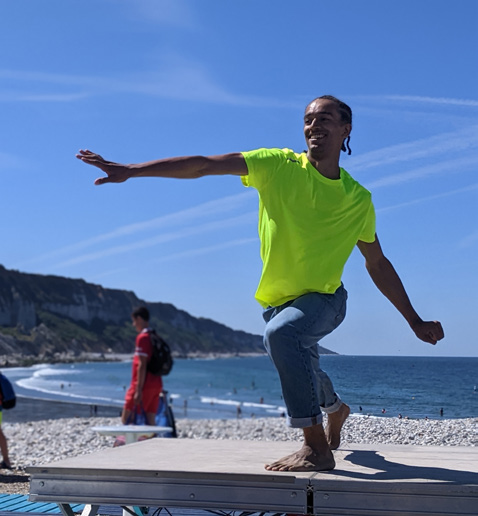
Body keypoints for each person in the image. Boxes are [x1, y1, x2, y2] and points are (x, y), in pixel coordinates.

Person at [77, 95, 444, 472]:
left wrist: (413, 321)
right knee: (304, 366)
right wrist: (131, 170)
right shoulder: (278, 165)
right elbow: (204, 165)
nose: (314, 125)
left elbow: (377, 262)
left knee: (282, 337)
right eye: (308, 119)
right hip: (278, 303)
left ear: (346, 129)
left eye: (325, 119)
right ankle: (336, 409)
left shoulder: (357, 199)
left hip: (326, 301)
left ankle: (315, 448)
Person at [122, 306, 163, 426]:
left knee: (127, 419)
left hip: (142, 384)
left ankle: (131, 444)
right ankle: (152, 444)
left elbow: (141, 365)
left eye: (134, 321)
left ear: (139, 319)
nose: (133, 324)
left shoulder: (142, 338)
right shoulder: (154, 336)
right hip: (156, 383)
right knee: (150, 421)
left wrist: (138, 390)